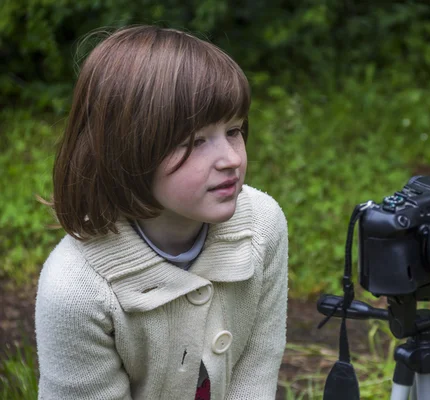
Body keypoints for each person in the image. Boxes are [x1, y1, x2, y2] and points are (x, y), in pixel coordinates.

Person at [35, 25, 288, 400]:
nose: (232, 159)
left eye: (234, 131)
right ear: (127, 150)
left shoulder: (262, 225)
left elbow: (257, 368)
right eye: (196, 141)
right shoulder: (77, 290)